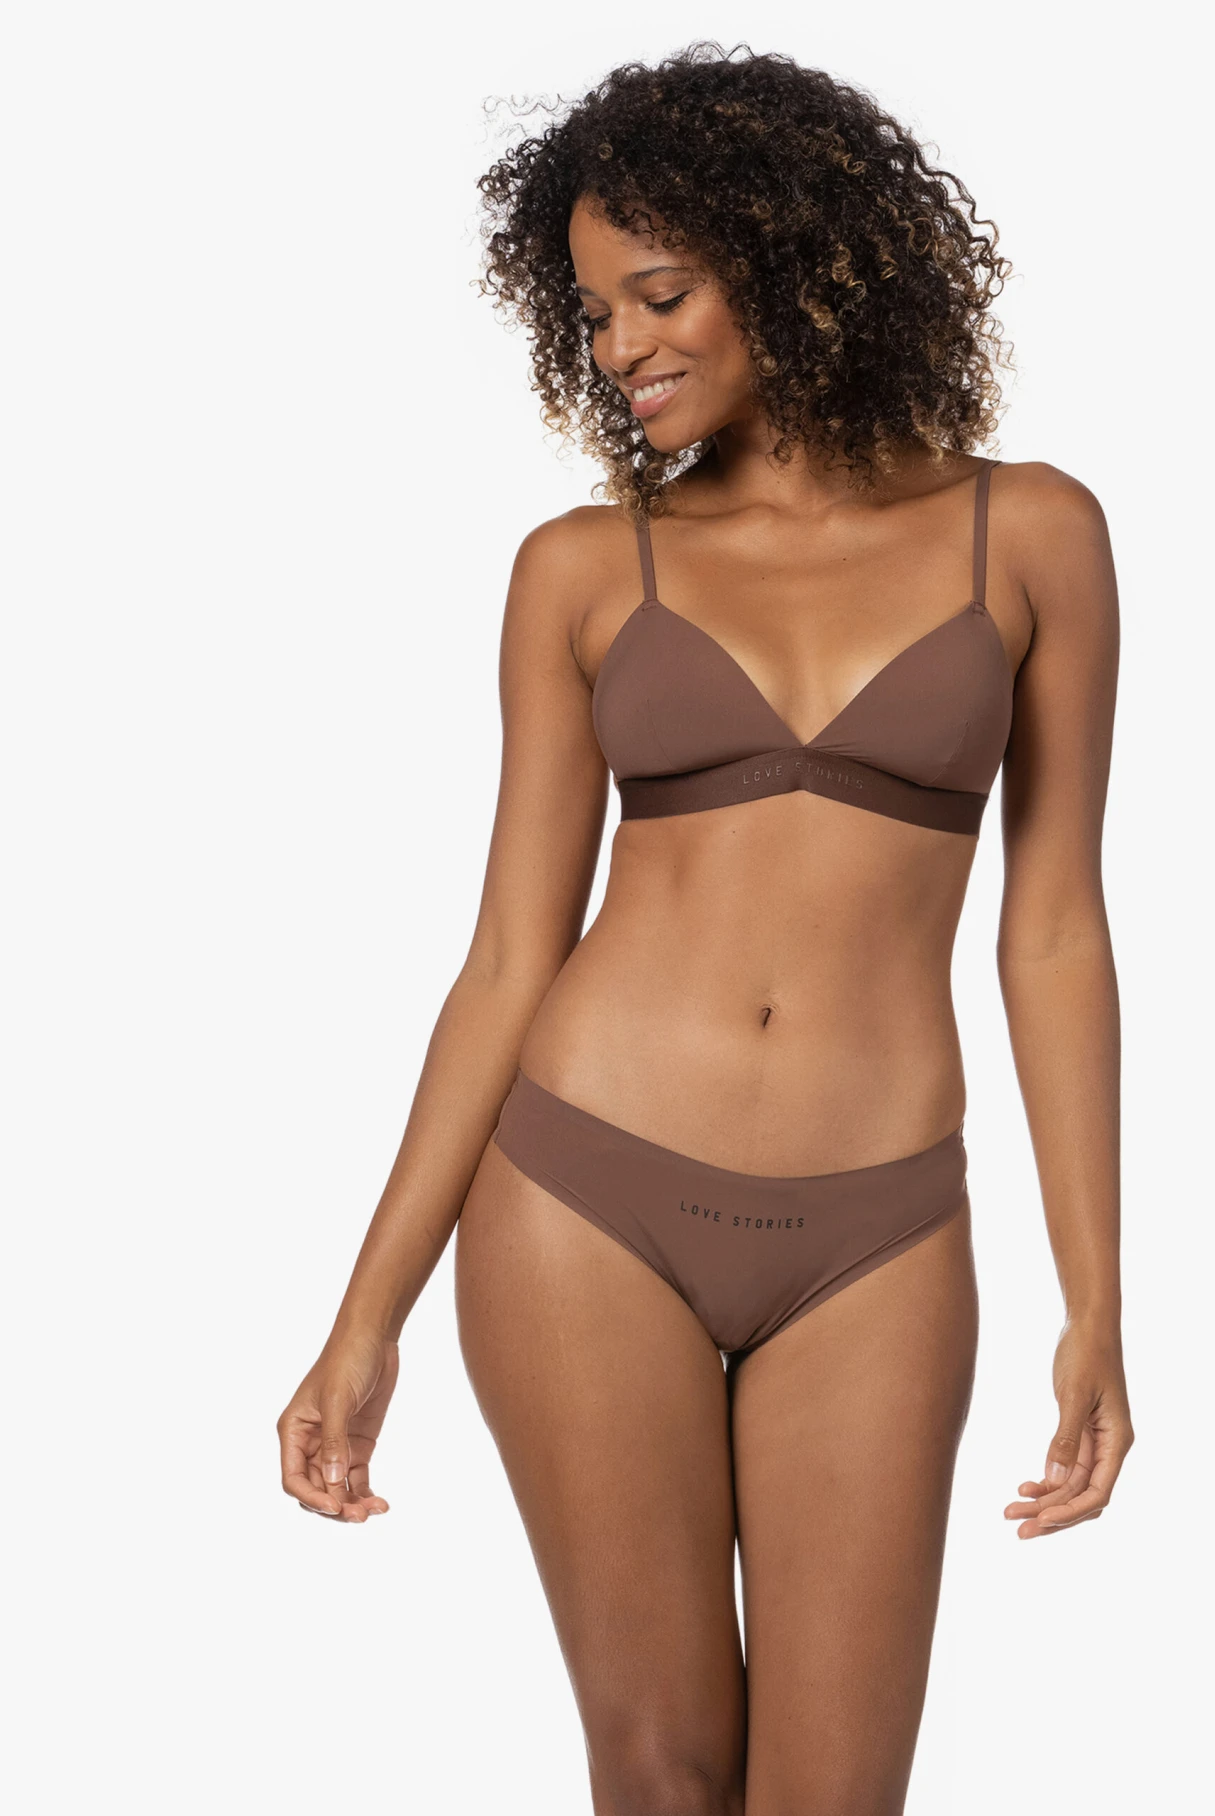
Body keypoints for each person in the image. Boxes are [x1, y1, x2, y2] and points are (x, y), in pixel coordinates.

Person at [277, 42, 1132, 1815]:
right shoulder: (585, 569)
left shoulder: (1033, 532)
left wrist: (1095, 1300)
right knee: (661, 1777)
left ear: (795, 262)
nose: (620, 347)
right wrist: (368, 1318)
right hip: (585, 1193)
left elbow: (1053, 932)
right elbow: (508, 958)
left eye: (657, 295)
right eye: (593, 314)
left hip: (880, 1227)